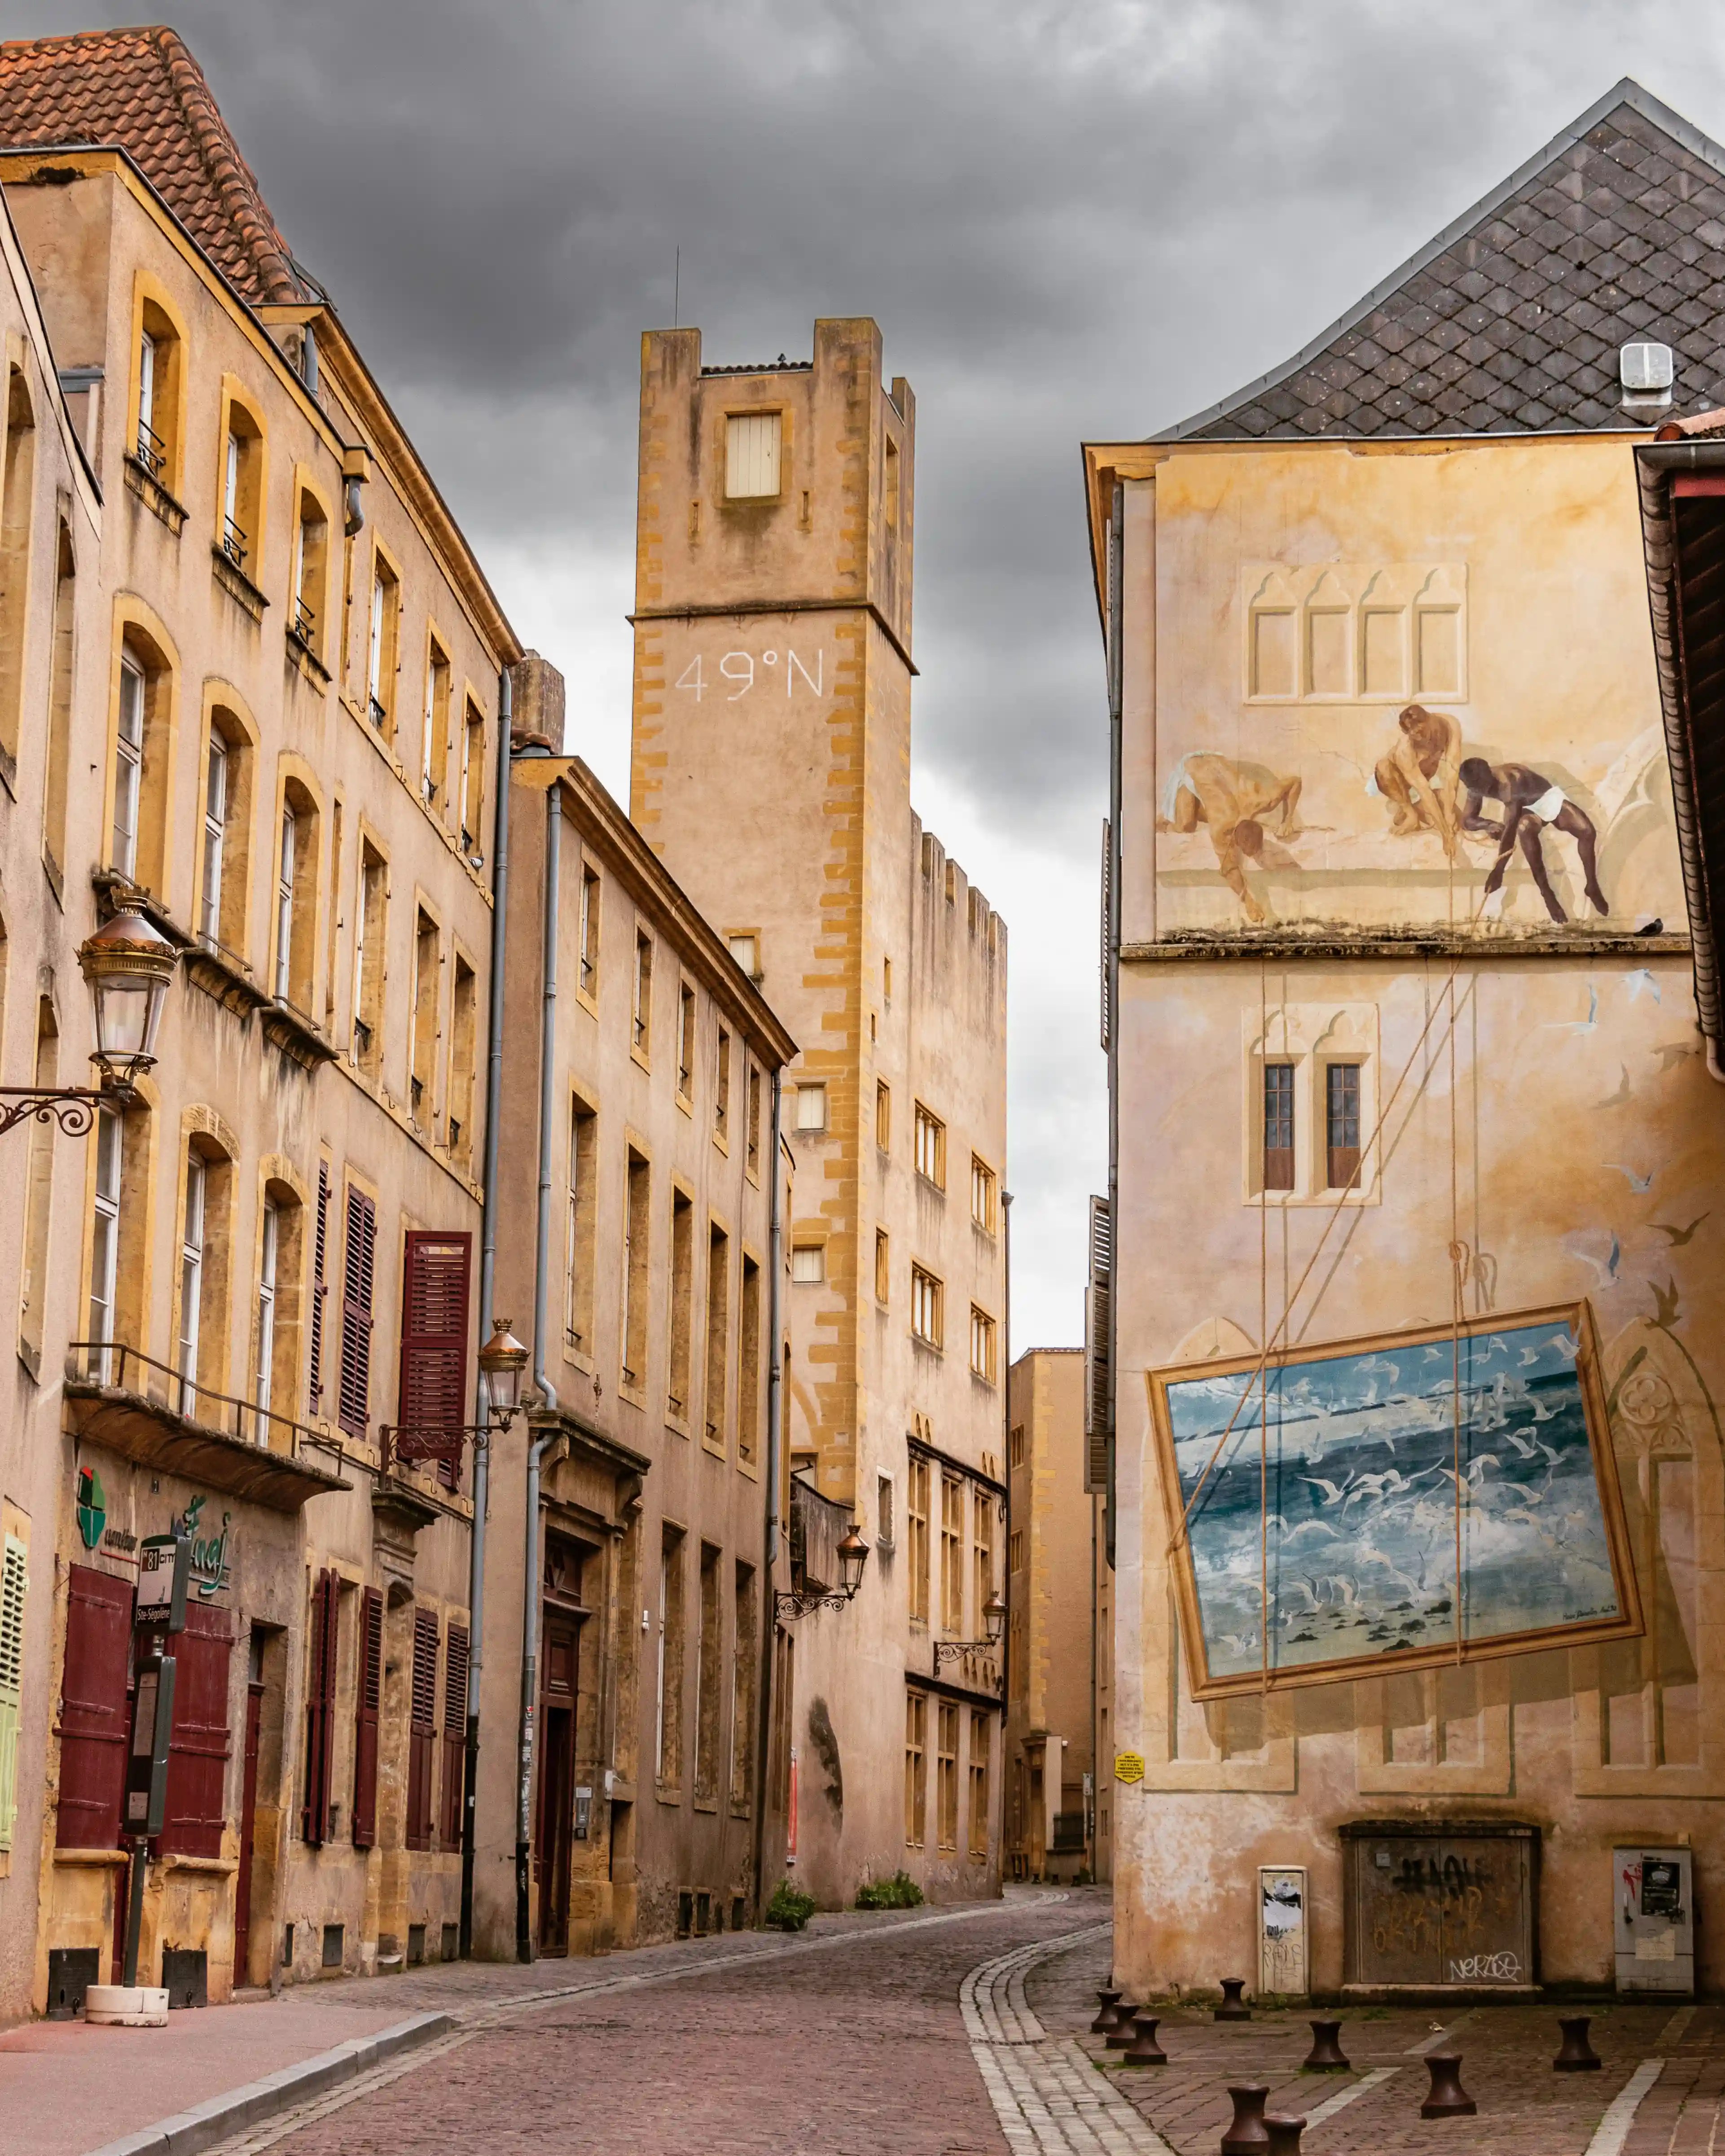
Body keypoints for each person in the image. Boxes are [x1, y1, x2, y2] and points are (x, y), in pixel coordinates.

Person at [1458, 757, 1608, 922]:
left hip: (1544, 799)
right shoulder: (1475, 787)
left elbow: (1509, 831)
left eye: (1482, 785)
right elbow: (1467, 821)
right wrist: (1489, 825)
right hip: (1527, 812)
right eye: (1475, 788)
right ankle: (1547, 894)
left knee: (1587, 831)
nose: (1482, 791)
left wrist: (1498, 871)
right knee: (1525, 829)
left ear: (1489, 773)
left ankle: (1592, 886)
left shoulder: (1509, 782)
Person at [1160, 753, 1302, 925]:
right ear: (1235, 841)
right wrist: (1249, 902)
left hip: (1214, 763)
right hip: (1191, 769)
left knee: (1210, 804)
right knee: (1186, 825)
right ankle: (1164, 822)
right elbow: (1229, 869)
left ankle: (1203, 803)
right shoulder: (1222, 827)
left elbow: (1295, 782)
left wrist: (1288, 820)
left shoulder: (1260, 800)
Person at [1373, 704, 1462, 856]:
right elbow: (1425, 792)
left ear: (1428, 720)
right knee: (1383, 767)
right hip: (1397, 779)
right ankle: (1410, 813)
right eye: (1413, 735)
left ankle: (1415, 811)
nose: (1419, 738)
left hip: (1425, 773)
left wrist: (1449, 811)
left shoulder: (1449, 724)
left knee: (1448, 806)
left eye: (1421, 732)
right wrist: (1446, 835)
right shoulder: (1405, 751)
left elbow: (1453, 770)